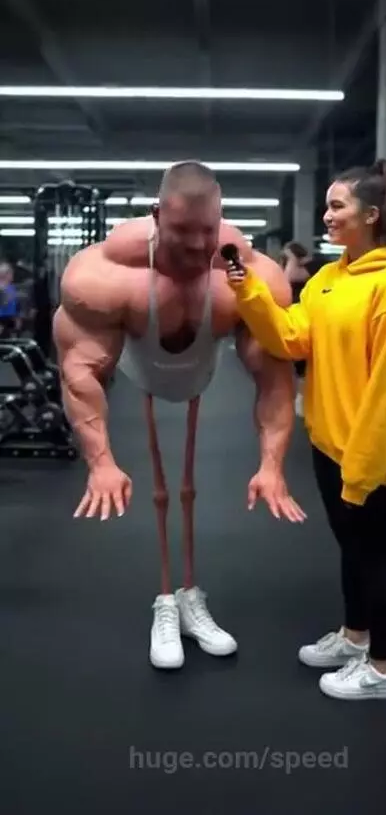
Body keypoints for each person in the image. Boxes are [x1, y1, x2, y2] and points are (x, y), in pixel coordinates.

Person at [52, 160, 305, 672]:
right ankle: (165, 602)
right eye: (182, 231)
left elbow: (274, 375)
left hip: (200, 368)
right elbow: (79, 373)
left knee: (187, 484)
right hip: (143, 366)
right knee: (163, 485)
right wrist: (100, 461)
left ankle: (192, 598)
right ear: (155, 215)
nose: (196, 245)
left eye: (207, 231)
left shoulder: (250, 274)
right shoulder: (104, 275)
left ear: (223, 217)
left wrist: (272, 464)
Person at [225, 159, 386, 701]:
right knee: (349, 548)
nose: (327, 215)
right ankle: (355, 636)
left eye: (338, 206)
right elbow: (292, 339)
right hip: (326, 441)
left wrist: (363, 467)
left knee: (373, 554)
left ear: (372, 215)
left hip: (364, 450)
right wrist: (250, 295)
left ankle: (383, 669)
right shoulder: (329, 279)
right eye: (329, 205)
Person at [280, 241, 312, 416]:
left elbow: (287, 280)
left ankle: (303, 397)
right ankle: (301, 395)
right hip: (293, 316)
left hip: (306, 318)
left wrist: (291, 258)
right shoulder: (289, 266)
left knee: (303, 363)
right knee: (296, 363)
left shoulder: (308, 267)